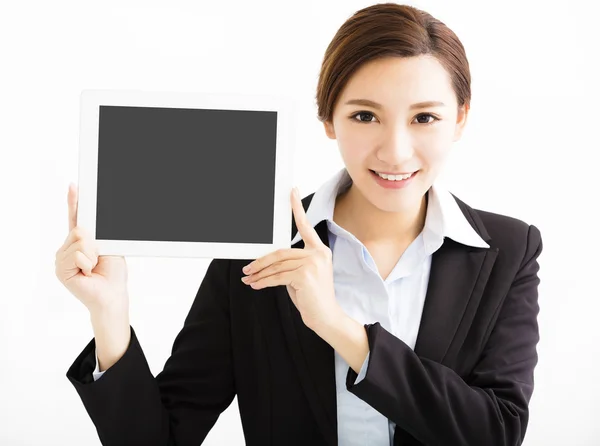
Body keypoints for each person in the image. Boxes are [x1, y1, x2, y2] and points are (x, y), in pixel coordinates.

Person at [55, 3, 543, 445]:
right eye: (365, 115)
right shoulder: (255, 253)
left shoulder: (508, 250)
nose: (395, 150)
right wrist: (110, 314)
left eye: (425, 118)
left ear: (460, 119)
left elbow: (495, 433)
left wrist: (338, 328)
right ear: (328, 119)